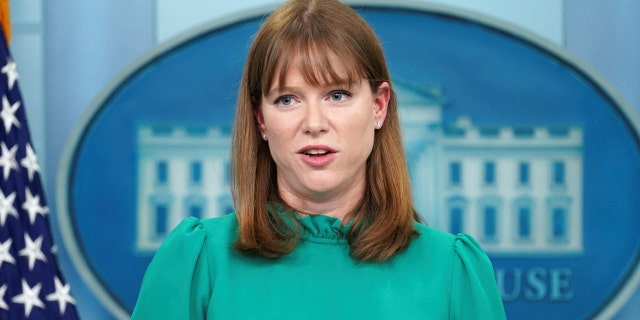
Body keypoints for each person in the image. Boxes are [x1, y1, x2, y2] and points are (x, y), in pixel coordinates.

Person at [131, 0, 506, 319]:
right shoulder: (197, 263)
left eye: (337, 95)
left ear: (379, 106)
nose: (314, 123)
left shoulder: (453, 270)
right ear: (261, 120)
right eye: (287, 99)